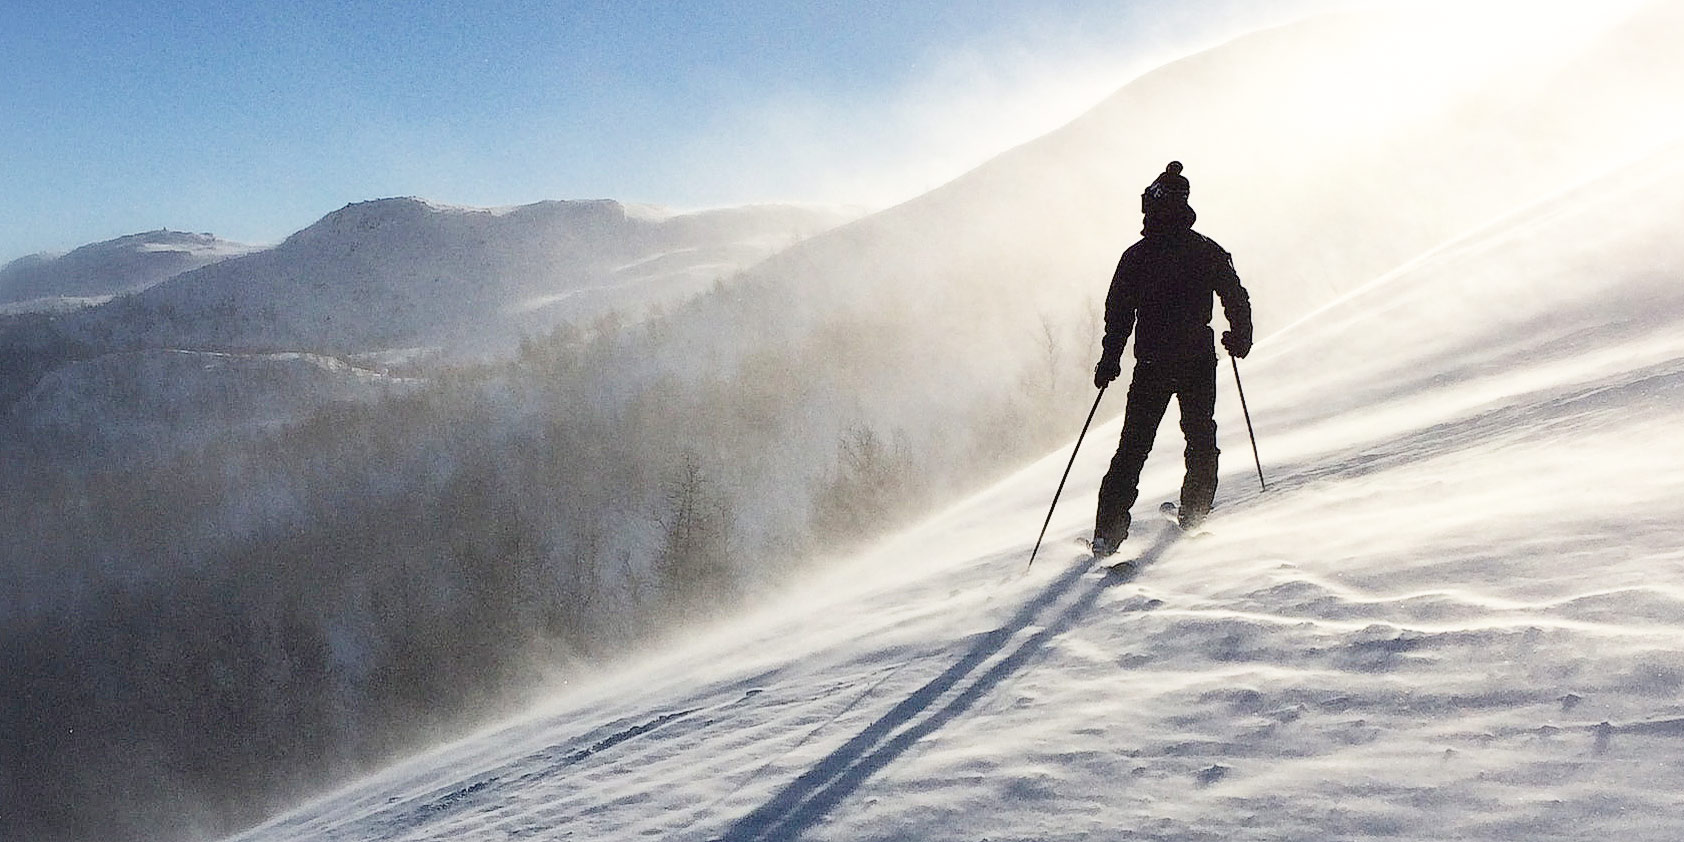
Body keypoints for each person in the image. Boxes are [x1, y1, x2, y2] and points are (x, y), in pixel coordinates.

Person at [1091, 161, 1253, 556]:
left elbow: (1119, 313)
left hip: (1152, 365)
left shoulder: (1137, 257)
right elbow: (1235, 295)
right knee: (1201, 438)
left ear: (1153, 206)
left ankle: (1108, 535)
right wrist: (1239, 337)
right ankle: (1194, 513)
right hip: (1198, 361)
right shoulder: (1206, 250)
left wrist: (1110, 360)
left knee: (1133, 447)